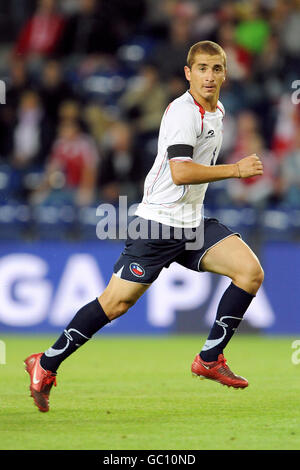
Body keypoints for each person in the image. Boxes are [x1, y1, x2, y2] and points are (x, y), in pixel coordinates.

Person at [25, 41, 264, 412]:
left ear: (225, 74)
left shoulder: (217, 113)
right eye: (201, 68)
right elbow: (180, 171)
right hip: (156, 224)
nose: (209, 76)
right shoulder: (184, 113)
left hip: (191, 224)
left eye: (216, 69)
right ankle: (46, 363)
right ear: (188, 73)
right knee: (115, 303)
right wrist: (235, 170)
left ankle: (209, 358)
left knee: (249, 272)